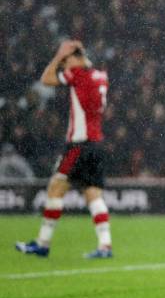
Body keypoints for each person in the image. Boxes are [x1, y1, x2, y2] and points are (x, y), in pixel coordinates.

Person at [15, 40, 113, 259]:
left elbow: (46, 79)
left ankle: (42, 244)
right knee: (93, 194)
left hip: (79, 144)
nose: (65, 66)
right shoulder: (101, 75)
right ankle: (105, 246)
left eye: (67, 61)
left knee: (56, 188)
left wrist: (59, 56)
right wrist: (74, 57)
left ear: (76, 58)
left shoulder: (77, 74)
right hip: (96, 143)